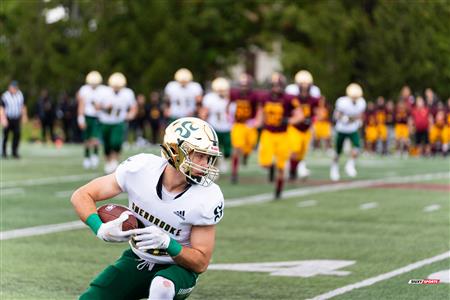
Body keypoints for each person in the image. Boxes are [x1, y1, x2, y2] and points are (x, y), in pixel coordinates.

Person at [71, 117, 224, 300]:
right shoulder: (140, 169)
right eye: (200, 155)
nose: (206, 165)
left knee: (162, 286)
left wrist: (169, 244)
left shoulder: (207, 196)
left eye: (209, 158)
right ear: (176, 152)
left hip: (178, 269)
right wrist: (100, 228)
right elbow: (81, 195)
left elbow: (200, 263)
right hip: (137, 258)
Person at [255, 73, 303, 198]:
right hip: (268, 133)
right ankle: (271, 167)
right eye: (274, 85)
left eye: (279, 85)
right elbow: (260, 114)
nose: (276, 88)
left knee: (282, 166)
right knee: (264, 163)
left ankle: (279, 189)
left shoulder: (289, 98)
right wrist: (256, 124)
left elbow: (300, 116)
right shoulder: (264, 97)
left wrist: (289, 120)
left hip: (283, 135)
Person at [98, 72, 137, 174]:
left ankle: (114, 161)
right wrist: (105, 107)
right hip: (105, 121)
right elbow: (97, 106)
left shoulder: (128, 93)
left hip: (119, 121)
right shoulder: (104, 92)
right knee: (107, 144)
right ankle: (108, 162)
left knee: (116, 142)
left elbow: (133, 107)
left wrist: (131, 114)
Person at [285, 70, 320, 180]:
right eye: (302, 84)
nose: (304, 87)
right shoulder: (291, 93)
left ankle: (294, 169)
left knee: (301, 153)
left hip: (307, 128)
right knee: (294, 150)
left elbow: (317, 111)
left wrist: (313, 122)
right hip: (294, 127)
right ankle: (292, 171)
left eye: (306, 84)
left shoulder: (315, 94)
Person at [330, 83, 366, 181]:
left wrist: (354, 120)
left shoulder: (361, 102)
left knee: (357, 147)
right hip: (341, 129)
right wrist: (345, 118)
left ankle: (350, 164)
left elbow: (359, 116)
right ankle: (334, 168)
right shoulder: (342, 102)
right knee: (337, 151)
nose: (355, 99)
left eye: (356, 97)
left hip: (352, 129)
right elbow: (336, 116)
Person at [228, 73, 259, 184]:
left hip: (250, 124)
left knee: (250, 146)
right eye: (242, 85)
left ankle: (246, 156)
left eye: (246, 85)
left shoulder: (254, 95)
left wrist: (256, 121)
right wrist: (230, 119)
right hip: (238, 124)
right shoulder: (234, 94)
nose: (243, 88)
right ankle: (234, 173)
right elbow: (229, 106)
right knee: (236, 149)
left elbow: (259, 108)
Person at [200, 77, 232, 173]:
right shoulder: (209, 98)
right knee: (214, 149)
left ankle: (224, 160)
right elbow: (204, 112)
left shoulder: (230, 98)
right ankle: (215, 165)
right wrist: (202, 123)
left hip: (227, 127)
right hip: (214, 126)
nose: (221, 92)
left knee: (227, 150)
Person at [77, 71, 108, 169]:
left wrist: (102, 107)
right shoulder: (84, 89)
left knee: (95, 139)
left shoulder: (104, 90)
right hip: (87, 116)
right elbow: (81, 104)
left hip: (98, 117)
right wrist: (80, 118)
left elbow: (108, 104)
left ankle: (94, 155)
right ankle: (87, 156)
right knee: (86, 139)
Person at [1, 80, 28, 159]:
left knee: (17, 135)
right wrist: (3, 119)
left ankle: (14, 152)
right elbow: (1, 108)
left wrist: (24, 116)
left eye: (15, 87)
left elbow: (23, 106)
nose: (14, 89)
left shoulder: (20, 95)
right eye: (12, 87)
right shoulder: (5, 96)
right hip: (8, 118)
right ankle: (4, 152)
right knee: (5, 136)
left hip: (16, 118)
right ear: (9, 87)